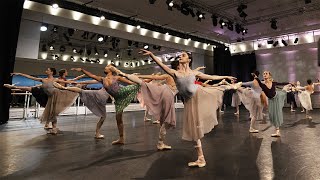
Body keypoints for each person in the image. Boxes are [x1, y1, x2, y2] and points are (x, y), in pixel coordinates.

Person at [140, 49, 235, 168]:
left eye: (183, 55)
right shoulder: (175, 73)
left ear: (188, 60)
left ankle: (229, 86)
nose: (180, 56)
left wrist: (225, 75)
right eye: (180, 55)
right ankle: (201, 158)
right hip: (190, 102)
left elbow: (211, 76)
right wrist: (152, 55)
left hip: (198, 94)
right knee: (195, 129)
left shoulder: (193, 73)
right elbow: (162, 65)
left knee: (213, 90)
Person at [112, 62, 179, 150]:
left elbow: (154, 77)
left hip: (164, 91)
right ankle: (160, 143)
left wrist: (141, 76)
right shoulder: (176, 74)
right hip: (168, 93)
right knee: (167, 121)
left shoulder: (172, 74)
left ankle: (125, 74)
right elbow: (154, 77)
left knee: (144, 84)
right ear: (178, 66)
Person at [71, 64, 139, 145]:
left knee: (139, 85)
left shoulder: (117, 77)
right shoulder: (102, 79)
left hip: (123, 92)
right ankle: (121, 139)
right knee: (119, 120)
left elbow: (131, 83)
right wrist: (82, 69)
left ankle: (148, 84)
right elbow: (91, 75)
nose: (105, 67)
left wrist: (136, 81)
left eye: (107, 66)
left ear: (111, 69)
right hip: (118, 100)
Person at [8, 68, 78, 134]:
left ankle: (54, 128)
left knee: (53, 112)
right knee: (51, 112)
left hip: (57, 95)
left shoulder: (55, 80)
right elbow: (31, 77)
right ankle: (14, 87)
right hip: (50, 97)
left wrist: (75, 83)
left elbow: (67, 82)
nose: (46, 70)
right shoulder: (43, 80)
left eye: (48, 70)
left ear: (51, 72)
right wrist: (19, 73)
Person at [252, 71, 291, 137]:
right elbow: (257, 80)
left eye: (266, 73)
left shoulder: (273, 83)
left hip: (277, 97)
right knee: (272, 115)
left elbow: (281, 83)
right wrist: (255, 77)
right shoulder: (262, 84)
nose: (264, 74)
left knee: (277, 114)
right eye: (263, 74)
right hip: (271, 101)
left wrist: (289, 83)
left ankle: (277, 131)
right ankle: (277, 131)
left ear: (269, 75)